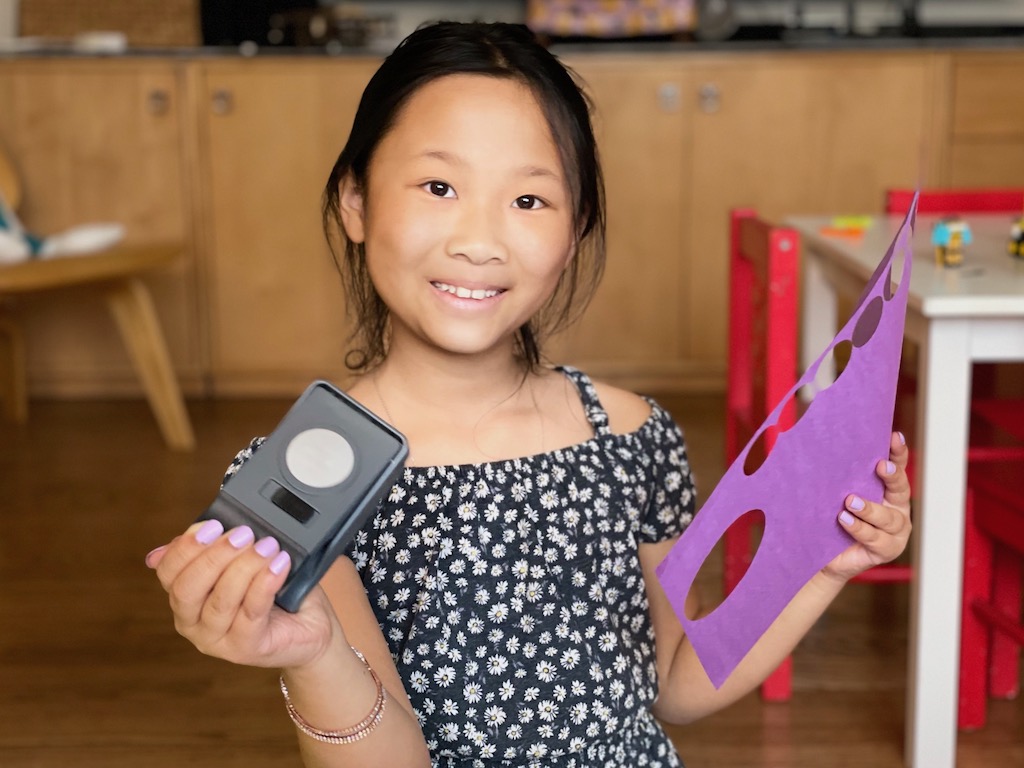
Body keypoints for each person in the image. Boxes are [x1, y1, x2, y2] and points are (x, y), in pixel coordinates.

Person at [146, 20, 912, 768]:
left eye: (529, 201)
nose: (479, 241)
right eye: (439, 185)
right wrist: (312, 656)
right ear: (356, 200)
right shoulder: (306, 474)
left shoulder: (632, 435)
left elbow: (676, 680)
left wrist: (825, 565)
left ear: (574, 228)